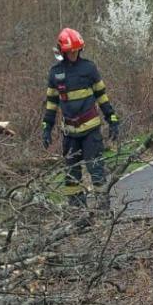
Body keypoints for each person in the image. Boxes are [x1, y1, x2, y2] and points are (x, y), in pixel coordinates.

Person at [42, 27, 120, 210]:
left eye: (76, 51)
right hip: (69, 134)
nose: (73, 55)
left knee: (96, 170)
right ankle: (77, 213)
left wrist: (112, 118)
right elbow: (52, 103)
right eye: (70, 52)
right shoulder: (55, 73)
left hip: (91, 131)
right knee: (71, 176)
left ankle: (103, 210)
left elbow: (102, 96)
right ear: (62, 51)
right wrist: (47, 127)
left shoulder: (89, 68)